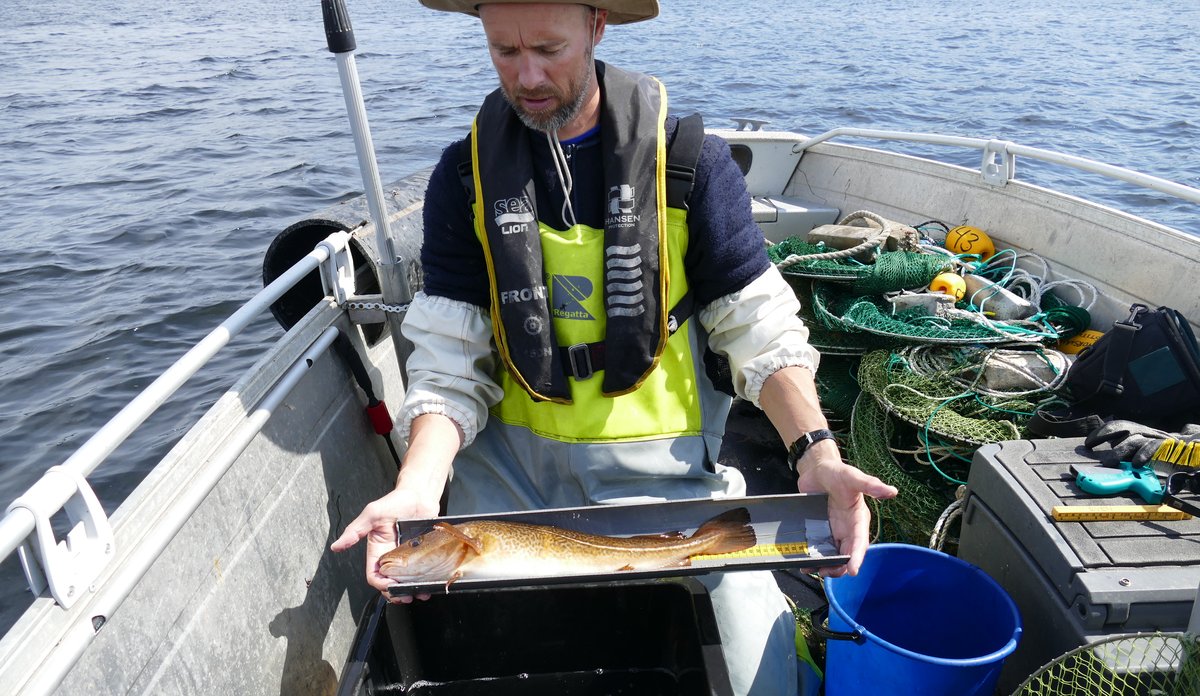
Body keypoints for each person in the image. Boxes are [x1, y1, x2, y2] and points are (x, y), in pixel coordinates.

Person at [332, 1, 898, 693]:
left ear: (597, 28)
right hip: (507, 500)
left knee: (758, 677)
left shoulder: (691, 166)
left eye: (548, 47)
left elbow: (760, 330)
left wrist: (818, 454)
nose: (527, 75)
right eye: (505, 51)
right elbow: (450, 364)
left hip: (667, 498)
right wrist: (418, 489)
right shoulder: (462, 180)